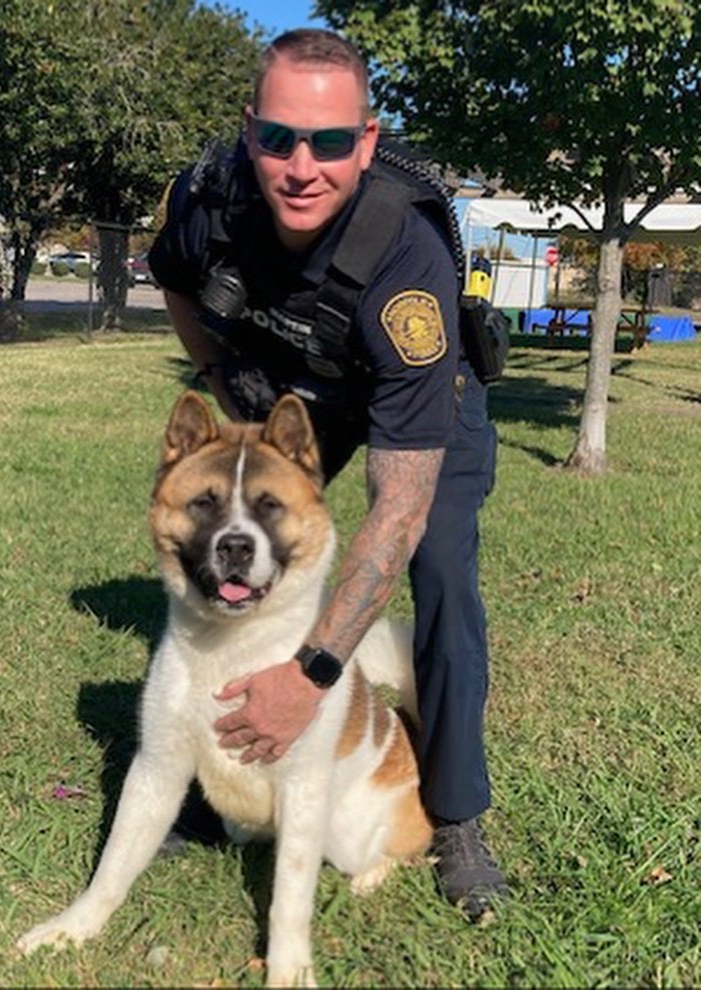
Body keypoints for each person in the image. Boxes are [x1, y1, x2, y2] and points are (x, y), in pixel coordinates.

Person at [148, 27, 509, 920]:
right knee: (252, 540)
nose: (301, 165)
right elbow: (173, 276)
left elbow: (397, 513)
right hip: (302, 388)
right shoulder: (211, 200)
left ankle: (456, 810)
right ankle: (219, 757)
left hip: (426, 402)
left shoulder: (406, 264)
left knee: (439, 571)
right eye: (278, 138)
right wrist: (222, 380)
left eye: (331, 141)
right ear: (249, 133)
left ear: (368, 143)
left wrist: (310, 678)